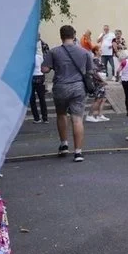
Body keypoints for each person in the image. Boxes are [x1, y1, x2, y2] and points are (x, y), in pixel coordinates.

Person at [42, 25, 93, 162]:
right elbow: (90, 71)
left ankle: (64, 144)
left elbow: (44, 69)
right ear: (74, 35)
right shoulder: (84, 52)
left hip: (60, 87)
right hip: (78, 88)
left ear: (61, 36)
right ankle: (78, 152)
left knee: (61, 114)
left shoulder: (53, 52)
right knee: (77, 119)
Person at [85, 46, 109, 123]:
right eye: (100, 50)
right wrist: (102, 80)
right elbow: (95, 72)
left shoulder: (98, 59)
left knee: (103, 98)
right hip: (98, 82)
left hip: (101, 81)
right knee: (98, 99)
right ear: (96, 51)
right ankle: (90, 115)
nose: (101, 51)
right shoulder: (95, 60)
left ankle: (100, 115)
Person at [29, 41, 48, 123]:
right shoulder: (40, 57)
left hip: (31, 77)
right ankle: (45, 118)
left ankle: (36, 118)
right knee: (42, 98)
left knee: (32, 99)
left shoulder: (28, 58)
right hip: (40, 77)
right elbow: (43, 67)